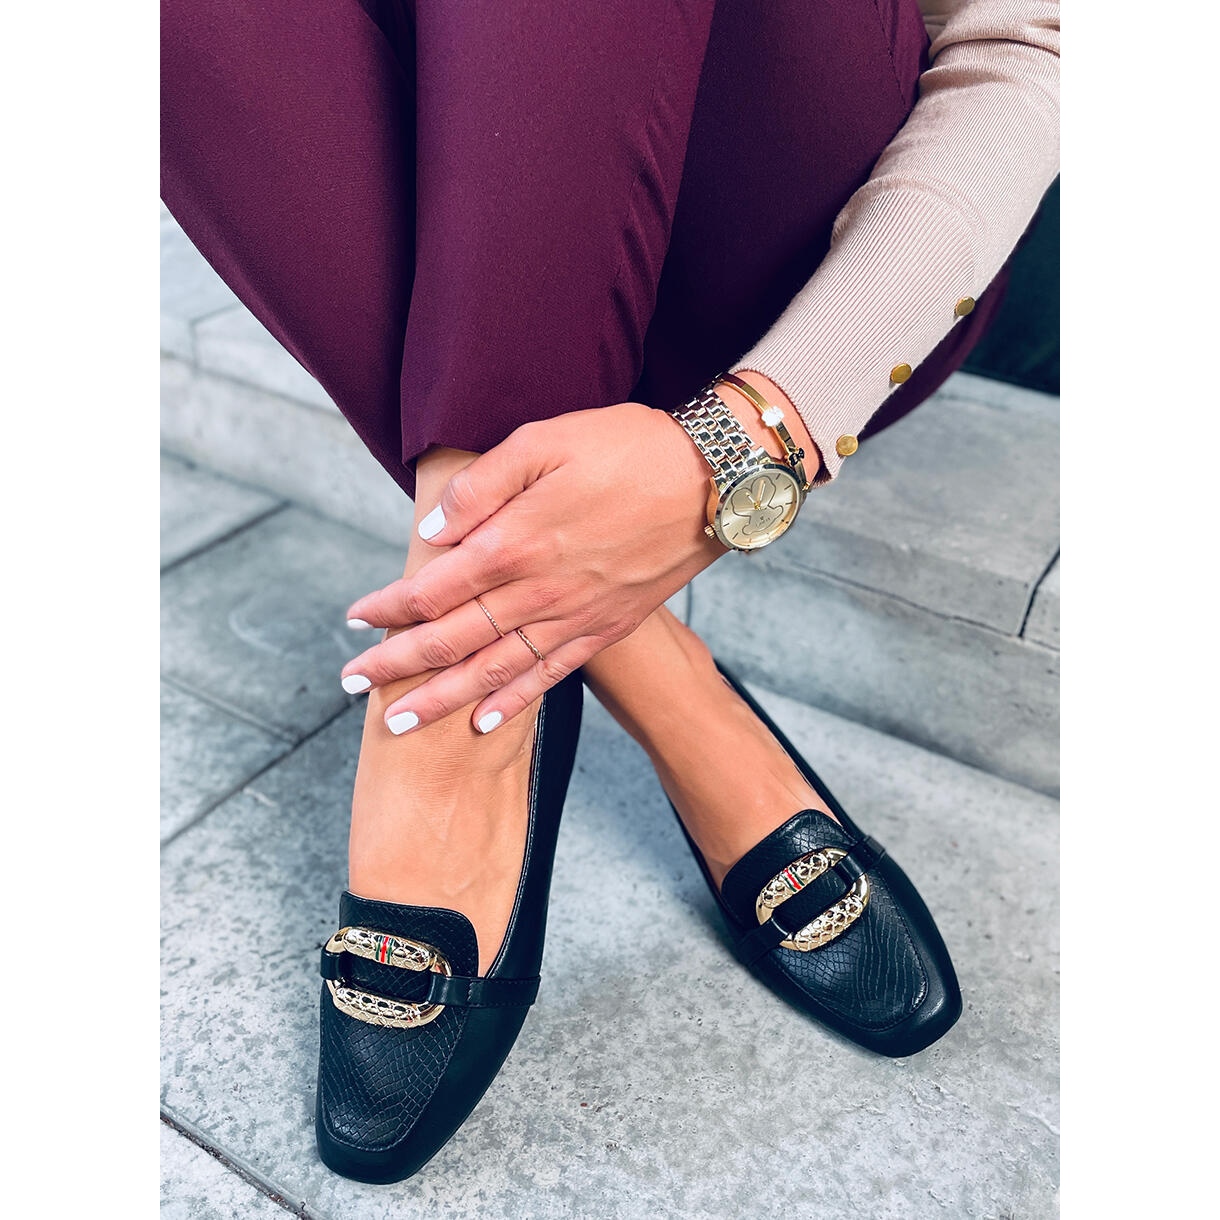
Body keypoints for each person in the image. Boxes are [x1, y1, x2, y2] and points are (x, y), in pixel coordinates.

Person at [162, 0, 1059, 1184]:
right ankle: (654, 674)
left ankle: (455, 705)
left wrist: (747, 438)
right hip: (479, 196)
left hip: (786, 212)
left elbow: (1028, 47)